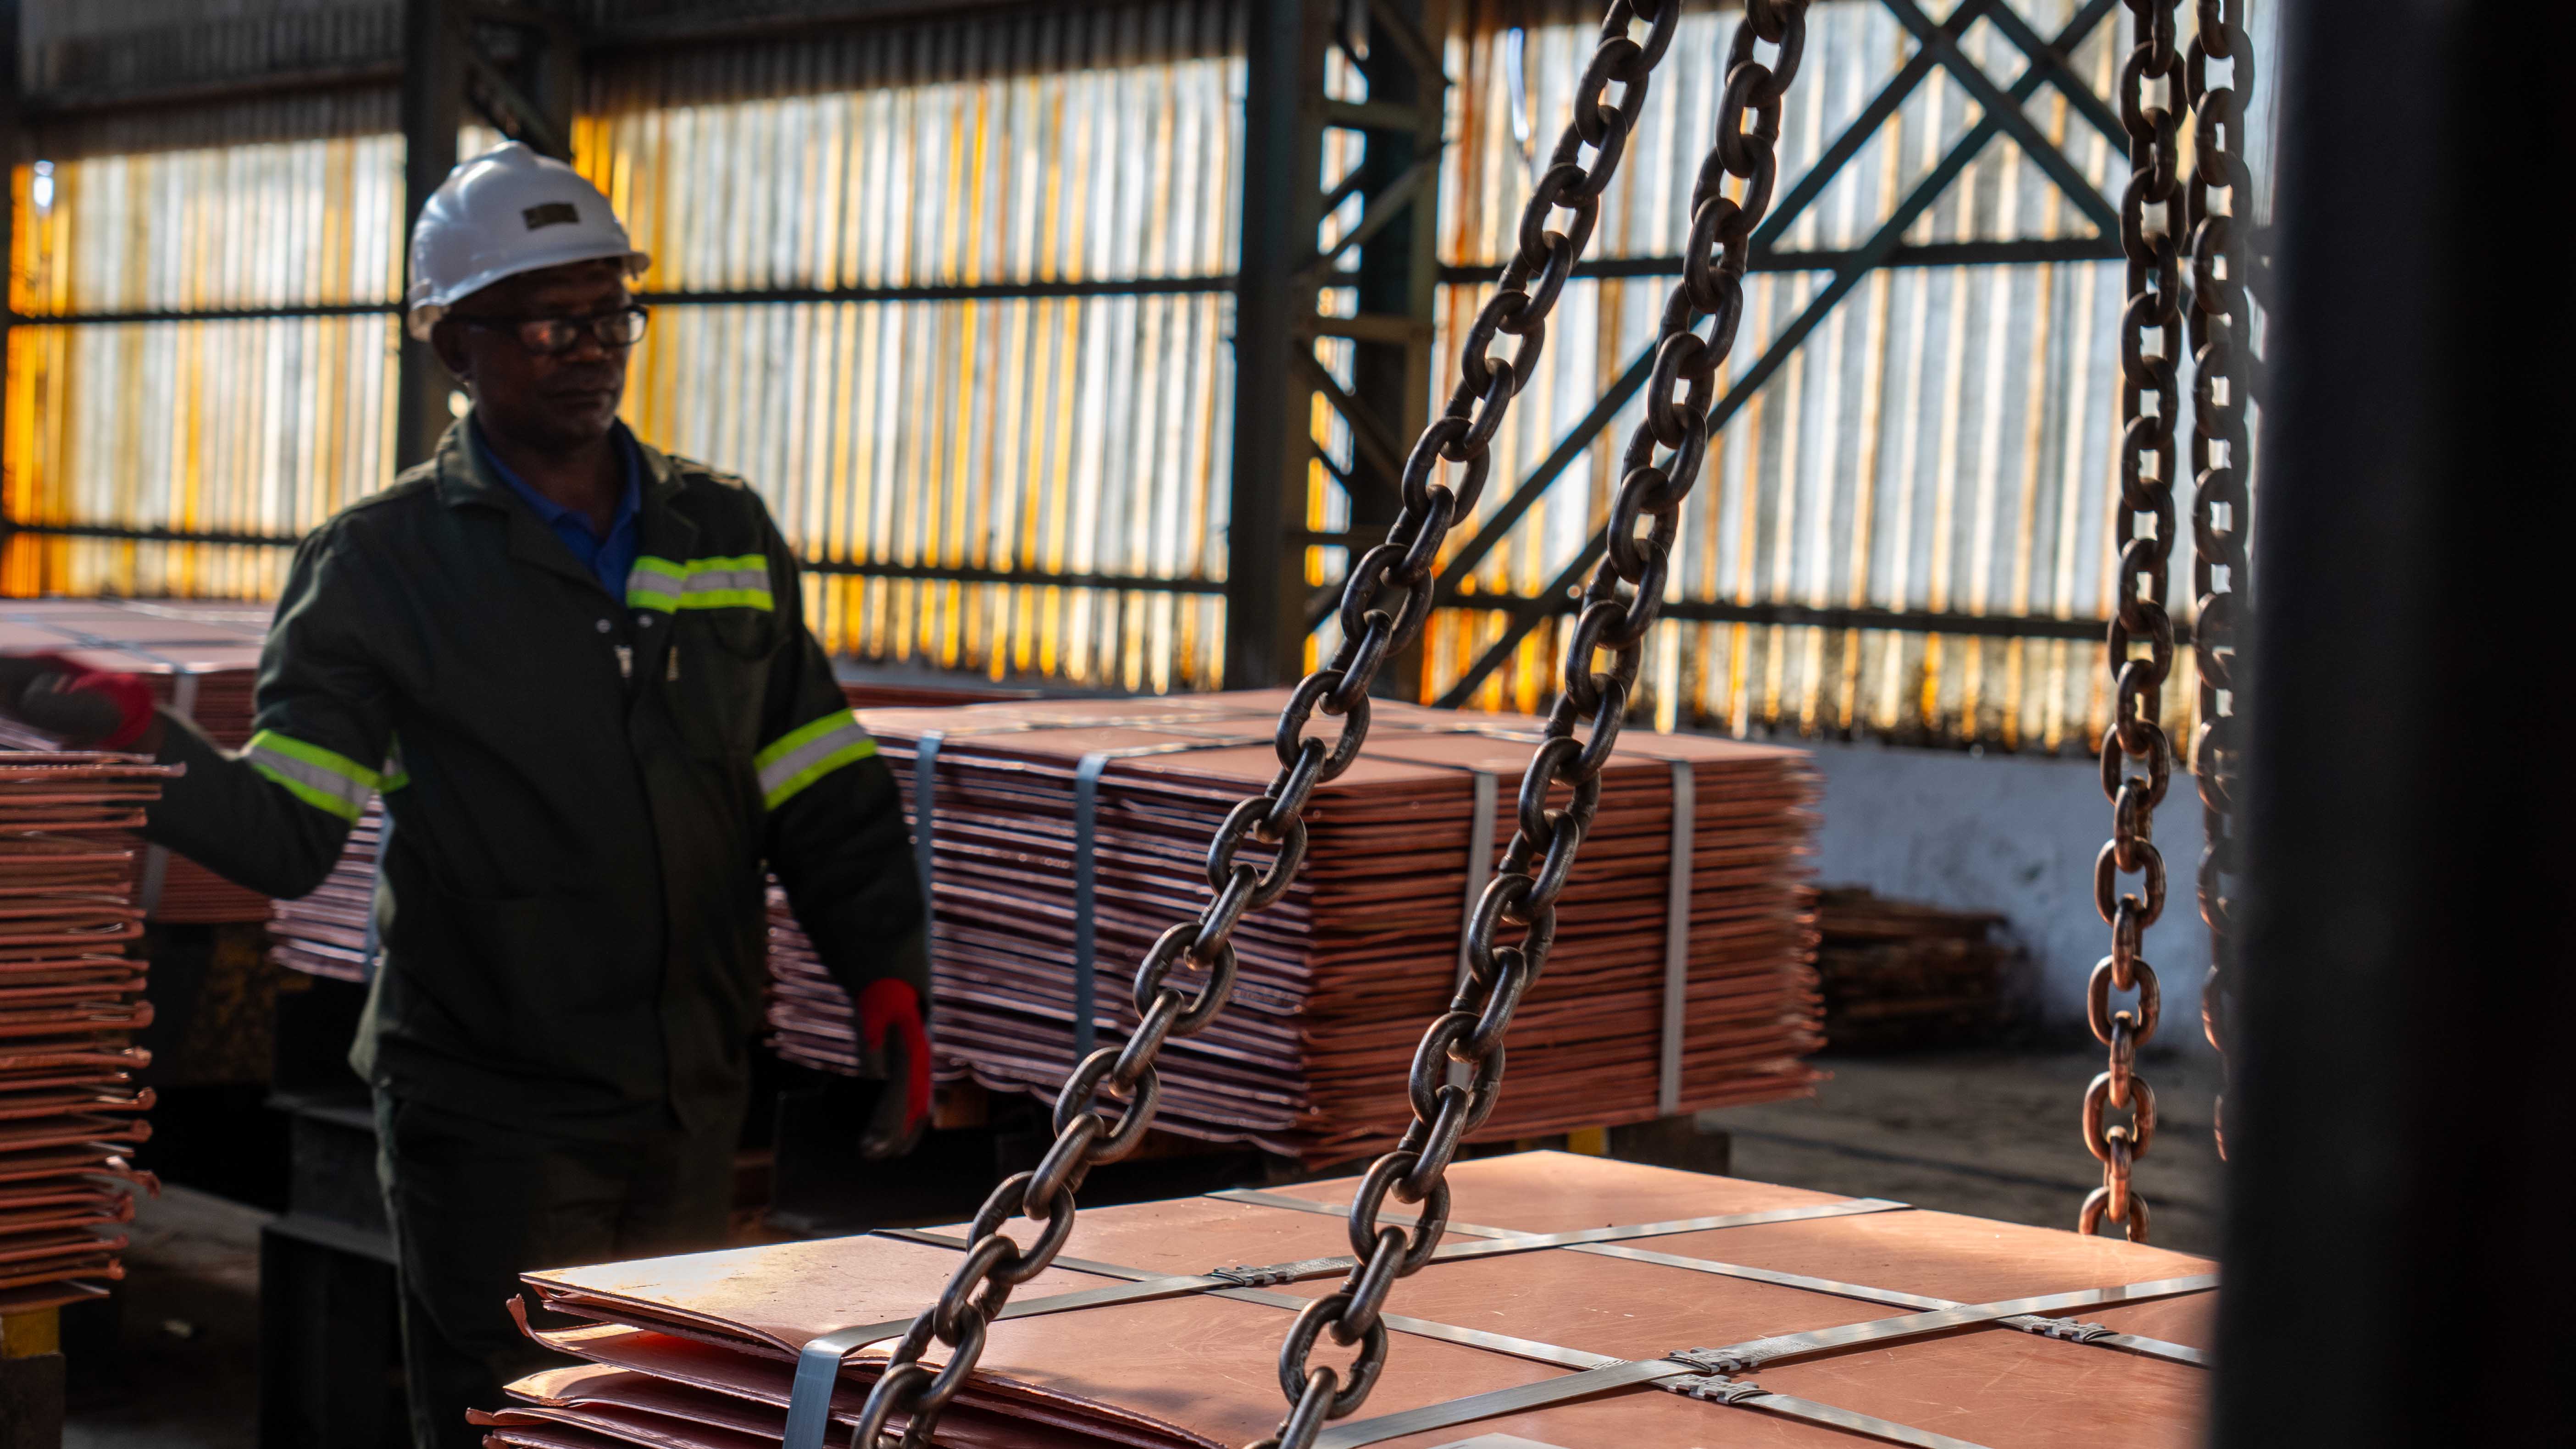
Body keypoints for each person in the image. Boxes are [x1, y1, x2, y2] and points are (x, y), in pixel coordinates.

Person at [0, 142, 933, 1449]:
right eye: (554, 319)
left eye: (612, 312)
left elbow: (819, 781)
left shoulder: (720, 531)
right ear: (454, 345)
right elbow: (284, 835)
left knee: (673, 1422)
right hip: (491, 1115)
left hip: (689, 1094)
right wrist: (140, 737)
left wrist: (887, 972)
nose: (594, 347)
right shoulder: (378, 568)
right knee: (518, 1425)